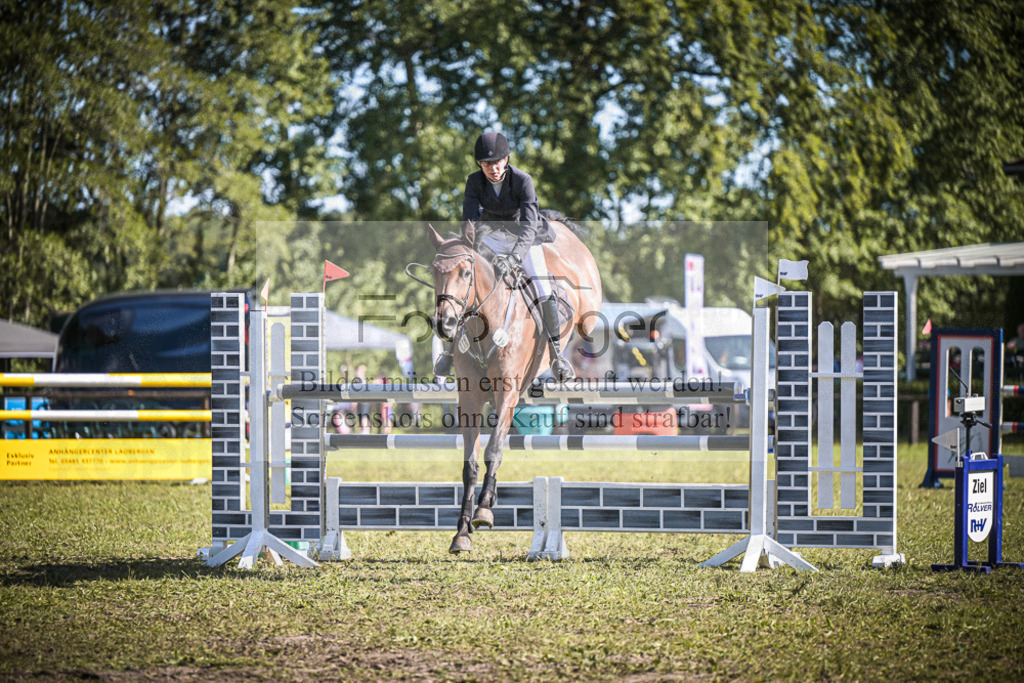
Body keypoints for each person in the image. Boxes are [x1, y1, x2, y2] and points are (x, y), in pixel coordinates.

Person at [437, 130, 573, 380]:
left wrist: (514, 258)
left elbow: (530, 227)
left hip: (525, 239)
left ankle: (556, 356)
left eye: (497, 162)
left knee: (542, 286)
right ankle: (449, 351)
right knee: (469, 285)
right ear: (480, 164)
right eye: (486, 163)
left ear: (506, 159)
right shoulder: (474, 182)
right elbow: (471, 226)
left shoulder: (523, 181)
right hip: (490, 239)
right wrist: (489, 253)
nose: (493, 168)